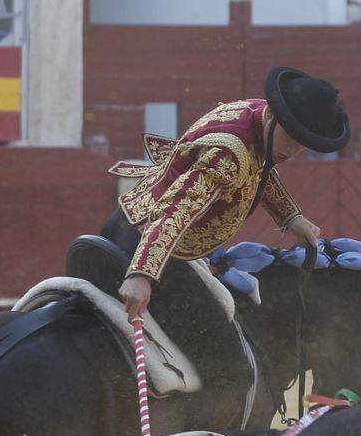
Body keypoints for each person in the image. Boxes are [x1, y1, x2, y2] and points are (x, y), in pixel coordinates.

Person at [107, 67, 341, 321]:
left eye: (303, 142)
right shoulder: (228, 154)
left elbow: (257, 167)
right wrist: (142, 274)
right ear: (272, 114)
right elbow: (177, 209)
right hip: (149, 246)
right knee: (219, 341)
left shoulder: (257, 114)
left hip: (140, 227)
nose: (294, 149)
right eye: (291, 136)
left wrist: (290, 217)